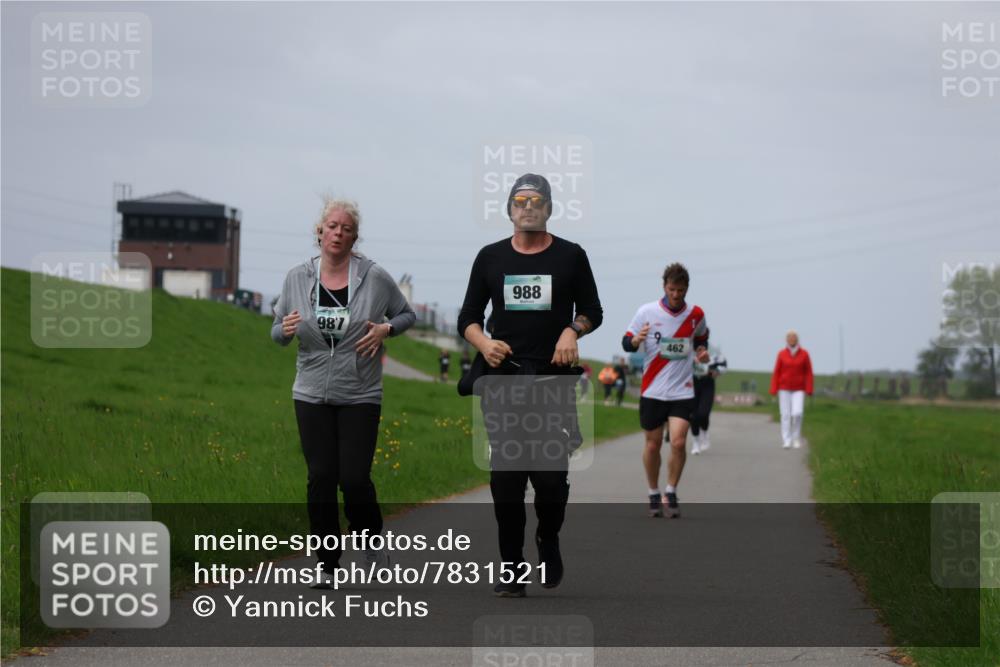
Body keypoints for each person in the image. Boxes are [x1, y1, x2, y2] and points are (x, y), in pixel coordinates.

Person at [458, 173, 603, 597]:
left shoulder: (571, 257)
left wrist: (572, 330)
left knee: (550, 481)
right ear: (509, 209)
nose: (527, 206)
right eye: (519, 200)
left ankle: (548, 538)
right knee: (506, 479)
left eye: (536, 200)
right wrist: (484, 343)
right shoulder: (489, 258)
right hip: (503, 381)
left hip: (552, 381)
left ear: (549, 208)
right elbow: (467, 316)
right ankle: (512, 566)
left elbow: (593, 309)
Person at [270, 197, 416, 582]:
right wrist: (282, 332)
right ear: (319, 232)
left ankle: (370, 541)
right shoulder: (296, 277)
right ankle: (327, 562)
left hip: (360, 391)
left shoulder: (374, 277)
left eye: (346, 228)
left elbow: (406, 314)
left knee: (353, 479)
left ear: (355, 237)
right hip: (310, 391)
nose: (338, 233)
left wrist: (387, 328)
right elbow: (276, 330)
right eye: (332, 226)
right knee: (320, 476)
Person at [623, 263, 709, 518]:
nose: (675, 295)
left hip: (682, 390)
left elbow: (702, 338)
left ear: (686, 289)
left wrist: (702, 352)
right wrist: (636, 341)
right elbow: (626, 341)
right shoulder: (646, 312)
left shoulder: (696, 314)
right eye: (672, 290)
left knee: (680, 441)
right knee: (653, 445)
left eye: (680, 291)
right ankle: (652, 491)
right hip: (652, 390)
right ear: (664, 287)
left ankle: (670, 490)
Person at [769, 330, 814, 449]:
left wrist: (809, 388)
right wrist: (773, 388)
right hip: (784, 388)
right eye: (790, 337)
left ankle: (796, 438)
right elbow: (776, 372)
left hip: (799, 388)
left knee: (797, 413)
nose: (792, 339)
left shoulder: (804, 354)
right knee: (785, 415)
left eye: (794, 337)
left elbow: (808, 372)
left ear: (797, 339)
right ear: (786, 340)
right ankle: (787, 440)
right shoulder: (782, 354)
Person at [690, 353, 726, 455]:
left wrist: (714, 372)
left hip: (707, 385)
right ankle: (696, 442)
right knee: (693, 415)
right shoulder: (688, 347)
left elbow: (723, 365)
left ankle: (704, 432)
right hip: (691, 384)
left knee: (703, 413)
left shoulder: (714, 352)